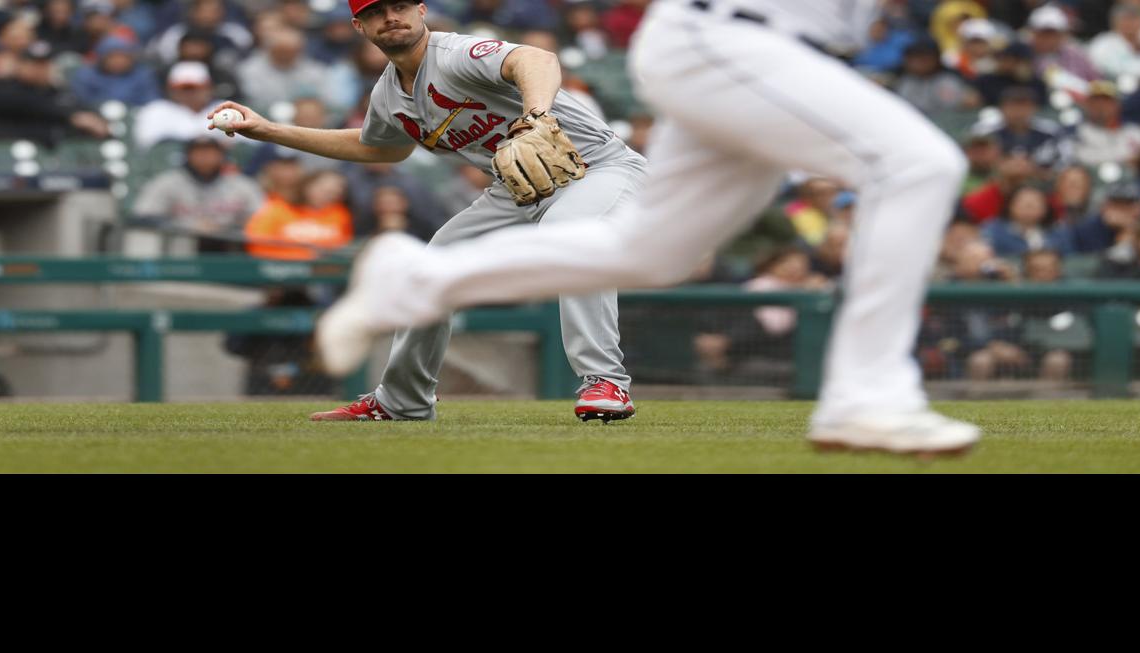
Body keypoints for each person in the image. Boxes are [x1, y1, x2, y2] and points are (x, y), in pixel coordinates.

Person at [318, 0, 981, 456]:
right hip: (727, 38)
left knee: (650, 252)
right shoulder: (428, 70)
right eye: (374, 11)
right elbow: (529, 61)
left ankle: (416, 275)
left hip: (743, 54)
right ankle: (866, 392)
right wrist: (538, 110)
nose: (390, 15)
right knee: (919, 165)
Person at [210, 0, 649, 424]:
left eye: (399, 6)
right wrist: (267, 129)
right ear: (359, 28)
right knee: (428, 266)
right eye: (375, 12)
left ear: (421, 10)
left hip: (599, 168)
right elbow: (374, 146)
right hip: (517, 189)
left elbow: (536, 58)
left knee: (567, 231)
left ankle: (604, 380)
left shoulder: (455, 54)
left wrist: (535, 116)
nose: (391, 17)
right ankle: (403, 399)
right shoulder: (389, 94)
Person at [129, 135, 265, 252]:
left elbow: (262, 219)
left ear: (222, 156)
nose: (205, 157)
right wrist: (188, 226)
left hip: (229, 248)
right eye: (199, 152)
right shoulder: (166, 183)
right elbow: (143, 217)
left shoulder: (241, 185)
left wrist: (224, 228)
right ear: (187, 156)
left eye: (211, 152)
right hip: (180, 249)